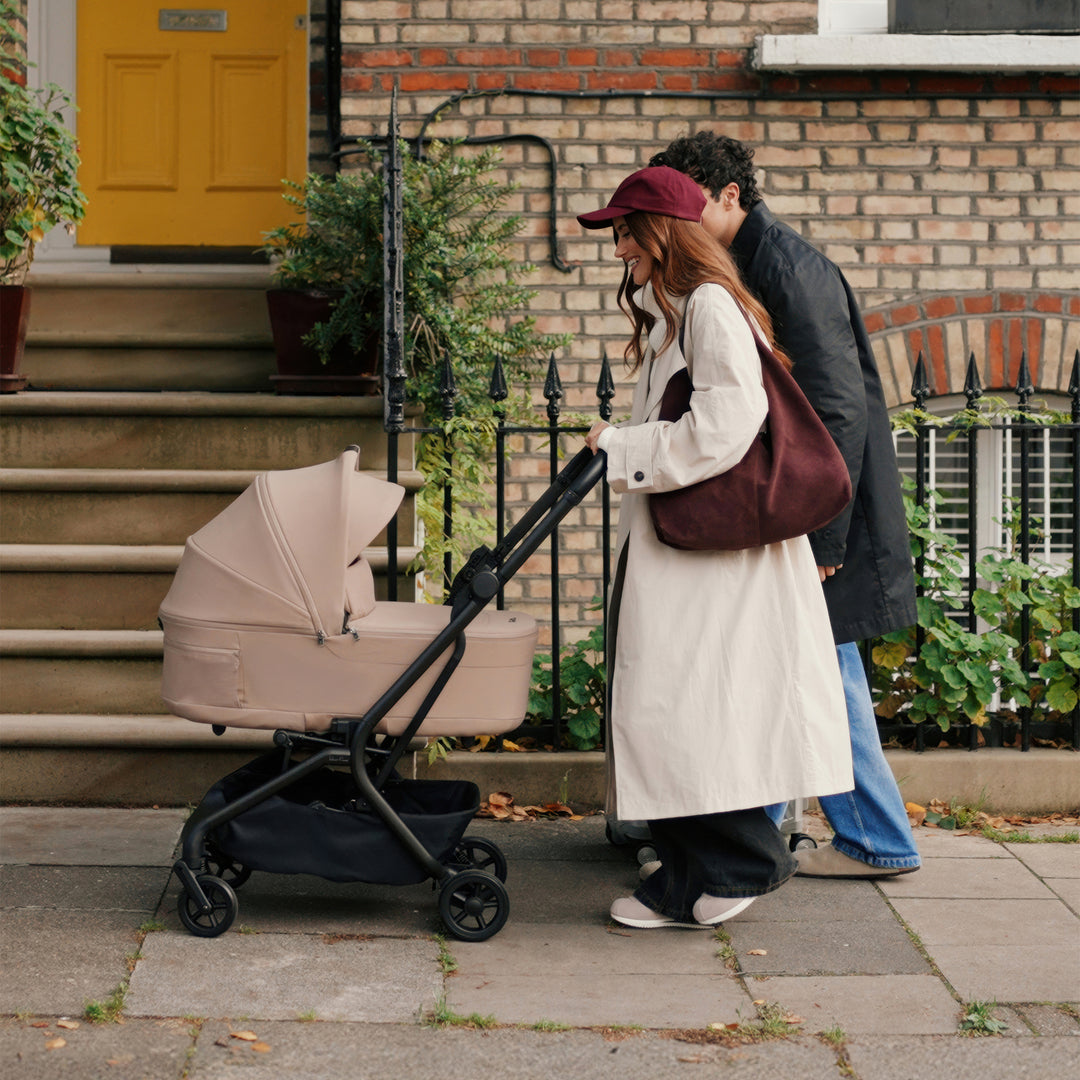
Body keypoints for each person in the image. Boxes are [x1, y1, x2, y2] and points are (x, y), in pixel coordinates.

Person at [578, 166, 854, 928]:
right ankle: (686, 877)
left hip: (714, 561)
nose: (620, 249)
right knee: (672, 711)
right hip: (689, 554)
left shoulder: (707, 307)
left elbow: (729, 423)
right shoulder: (681, 314)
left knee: (684, 711)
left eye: (628, 232)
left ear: (664, 232)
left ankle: (743, 864)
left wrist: (623, 446)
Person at [650, 133, 921, 878]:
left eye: (688, 203)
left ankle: (877, 838)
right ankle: (760, 839)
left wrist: (824, 541)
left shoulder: (789, 271)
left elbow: (838, 414)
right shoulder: (742, 264)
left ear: (729, 197)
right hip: (789, 508)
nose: (675, 221)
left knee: (824, 671)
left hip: (814, 513)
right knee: (788, 667)